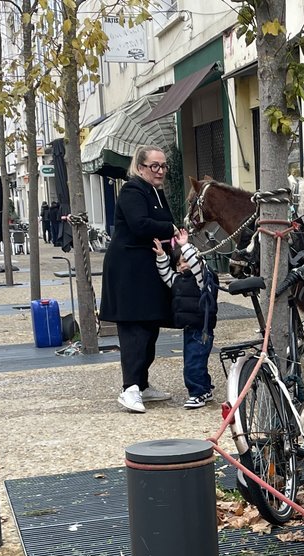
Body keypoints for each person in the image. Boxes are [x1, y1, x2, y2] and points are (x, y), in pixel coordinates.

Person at [100, 145, 177, 414]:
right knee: (134, 331)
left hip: (148, 269)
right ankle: (129, 388)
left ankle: (142, 385)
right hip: (128, 271)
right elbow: (139, 224)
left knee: (150, 328)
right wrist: (171, 228)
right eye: (154, 165)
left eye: (163, 165)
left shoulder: (155, 192)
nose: (160, 171)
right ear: (141, 167)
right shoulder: (133, 190)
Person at [152, 227, 219, 410]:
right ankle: (204, 390)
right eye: (179, 264)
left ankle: (197, 394)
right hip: (190, 328)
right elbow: (165, 273)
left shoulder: (202, 279)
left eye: (185, 262)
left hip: (201, 329)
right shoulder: (178, 280)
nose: (183, 266)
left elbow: (197, 265)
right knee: (196, 361)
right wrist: (161, 257)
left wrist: (185, 246)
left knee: (192, 364)